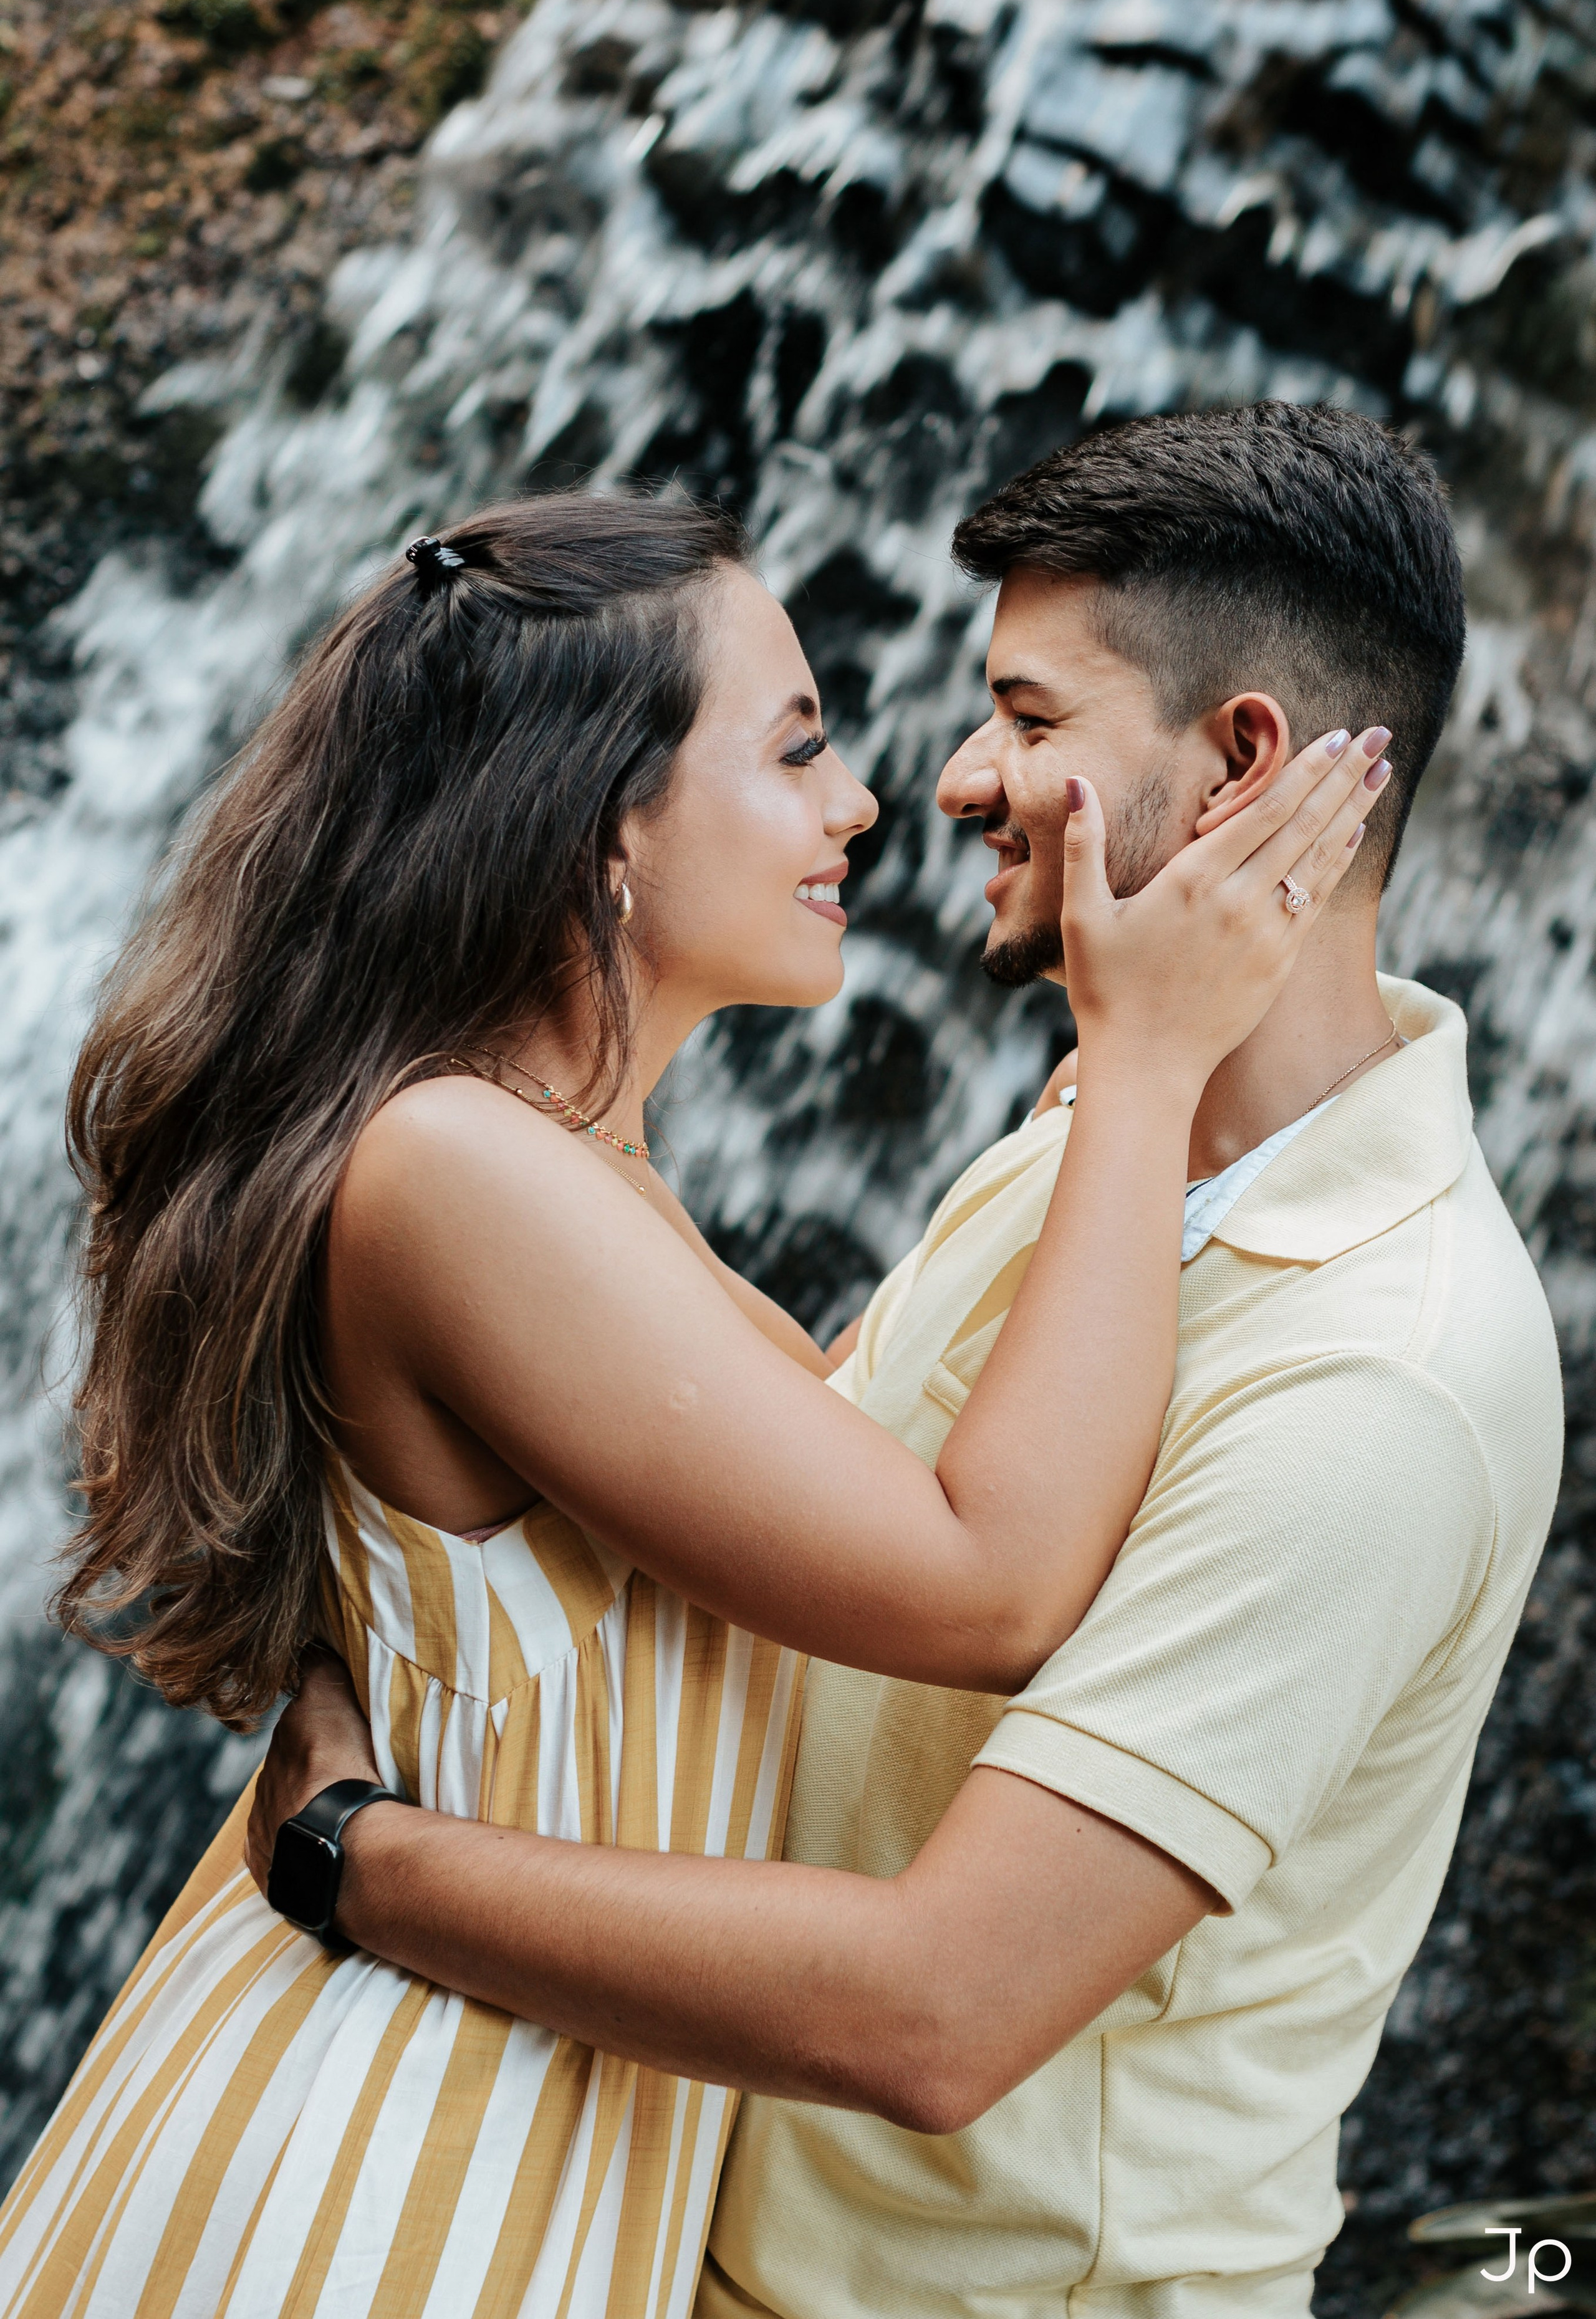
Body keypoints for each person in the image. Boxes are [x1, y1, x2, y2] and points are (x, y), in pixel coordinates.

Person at [231, 405, 1561, 2318]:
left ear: (1242, 762)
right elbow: (812, 1468)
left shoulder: (1389, 1365)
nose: (942, 780)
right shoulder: (1105, 1126)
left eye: (1027, 717)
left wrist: (365, 1859)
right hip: (627, 2226)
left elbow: (945, 2009)